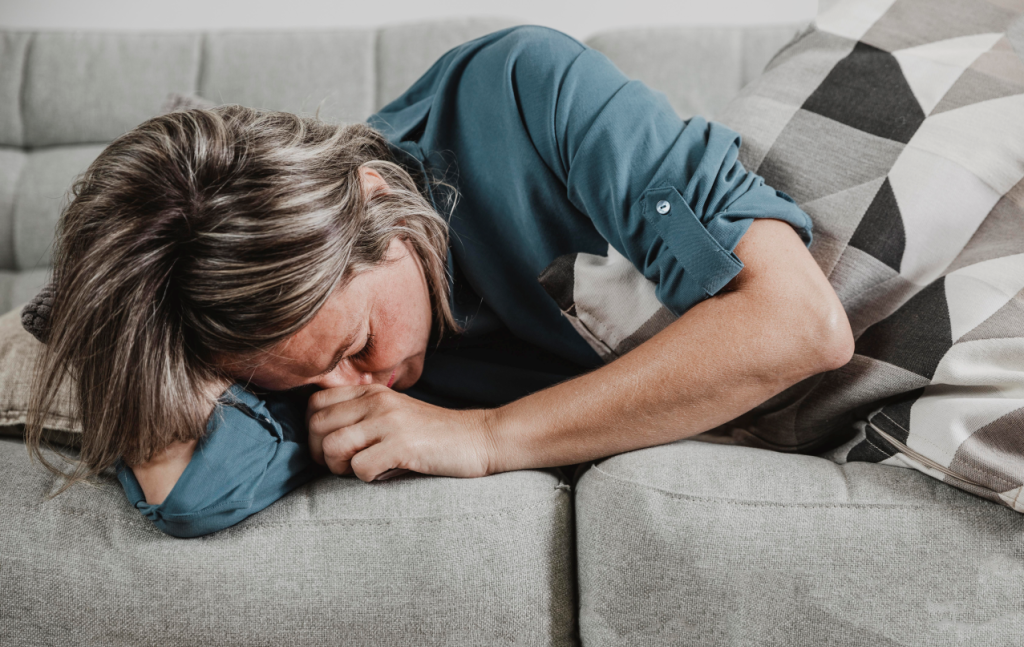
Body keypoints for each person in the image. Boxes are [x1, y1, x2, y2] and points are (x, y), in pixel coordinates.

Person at [26, 25, 854, 538]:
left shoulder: (523, 91)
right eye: (311, 381)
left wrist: (487, 436)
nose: (359, 391)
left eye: (357, 346)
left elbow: (798, 323)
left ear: (377, 201)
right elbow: (191, 495)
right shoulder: (295, 340)